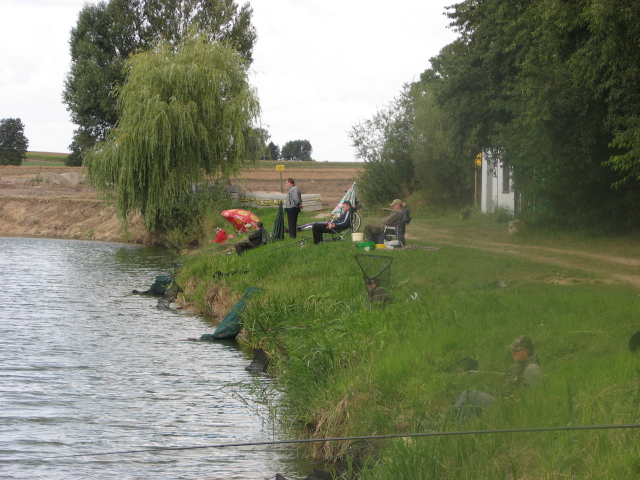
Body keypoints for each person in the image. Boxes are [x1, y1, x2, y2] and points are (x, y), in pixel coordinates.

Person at [453, 335, 542, 418]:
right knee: (467, 408)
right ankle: (453, 428)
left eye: (514, 351)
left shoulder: (532, 369)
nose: (512, 354)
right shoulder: (521, 366)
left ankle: (448, 417)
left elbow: (535, 398)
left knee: (469, 393)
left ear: (524, 351)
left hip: (508, 407)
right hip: (502, 400)